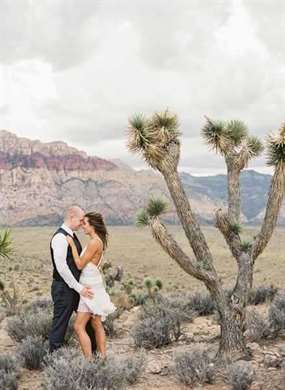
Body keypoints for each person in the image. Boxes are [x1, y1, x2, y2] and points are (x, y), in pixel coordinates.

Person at [66, 211, 116, 359]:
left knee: (78, 326)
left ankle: (89, 361)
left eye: (85, 224)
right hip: (93, 285)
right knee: (96, 324)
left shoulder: (94, 242)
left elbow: (80, 265)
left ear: (93, 226)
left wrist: (72, 245)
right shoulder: (97, 240)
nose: (82, 226)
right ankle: (103, 358)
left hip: (89, 290)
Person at [49, 205, 97, 354]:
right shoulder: (59, 238)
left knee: (88, 322)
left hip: (76, 288)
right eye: (80, 220)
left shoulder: (71, 235)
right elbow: (62, 268)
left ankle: (93, 357)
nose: (82, 223)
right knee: (60, 325)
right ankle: (54, 362)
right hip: (64, 289)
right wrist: (79, 288)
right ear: (71, 217)